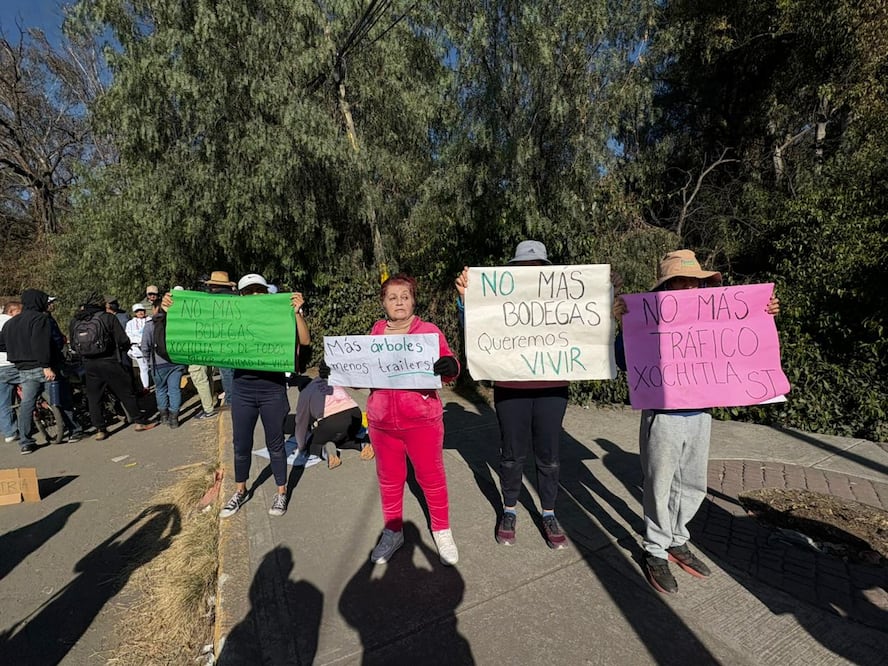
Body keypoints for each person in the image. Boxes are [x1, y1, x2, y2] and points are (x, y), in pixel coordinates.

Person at [613, 249, 780, 594]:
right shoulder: (648, 321)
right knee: (659, 484)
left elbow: (744, 341)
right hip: (663, 416)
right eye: (681, 282)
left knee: (692, 483)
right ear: (666, 288)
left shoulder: (713, 318)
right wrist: (624, 326)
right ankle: (655, 549)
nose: (689, 289)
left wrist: (764, 314)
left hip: (701, 413)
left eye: (695, 282)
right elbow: (624, 360)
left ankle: (677, 539)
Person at [455, 240, 571, 549]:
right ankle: (508, 510)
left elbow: (587, 326)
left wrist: (605, 295)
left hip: (553, 389)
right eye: (523, 268)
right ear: (514, 271)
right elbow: (477, 331)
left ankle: (548, 513)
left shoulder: (560, 299)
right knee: (511, 455)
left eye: (536, 268)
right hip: (510, 389)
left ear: (546, 272)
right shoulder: (499, 300)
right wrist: (466, 300)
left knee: (549, 456)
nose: (530, 272)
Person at [364, 274, 461, 566]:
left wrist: (450, 365)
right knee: (389, 480)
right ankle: (393, 532)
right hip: (382, 423)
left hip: (422, 421)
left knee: (431, 478)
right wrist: (339, 371)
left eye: (404, 296)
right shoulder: (375, 333)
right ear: (383, 303)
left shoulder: (428, 331)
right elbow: (361, 374)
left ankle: (442, 530)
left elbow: (451, 364)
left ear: (413, 299)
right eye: (392, 297)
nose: (399, 302)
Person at [196, 273, 310, 518]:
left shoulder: (280, 316)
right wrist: (171, 310)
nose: (255, 295)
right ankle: (240, 490)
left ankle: (281, 492)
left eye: (259, 290)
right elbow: (205, 329)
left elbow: (305, 340)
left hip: (273, 390)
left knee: (276, 445)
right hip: (243, 391)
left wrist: (298, 312)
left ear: (266, 293)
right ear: (242, 296)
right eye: (249, 292)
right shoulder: (234, 319)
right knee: (241, 445)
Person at [69, 292, 158, 440]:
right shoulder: (107, 318)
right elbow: (122, 339)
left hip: (89, 364)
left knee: (94, 397)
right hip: (109, 360)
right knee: (125, 392)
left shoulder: (75, 321)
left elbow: (73, 344)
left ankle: (100, 430)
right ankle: (139, 421)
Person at [0, 290, 71, 453]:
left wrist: (15, 351)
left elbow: (1, 343)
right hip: (40, 366)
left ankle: (25, 442)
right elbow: (41, 344)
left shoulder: (11, 323)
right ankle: (73, 429)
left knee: (27, 405)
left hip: (22, 368)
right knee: (57, 397)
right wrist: (46, 366)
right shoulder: (40, 319)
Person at [289, 374, 373, 469]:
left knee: (311, 443)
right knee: (342, 438)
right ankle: (363, 444)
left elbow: (301, 423)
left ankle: (326, 452)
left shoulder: (305, 392)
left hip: (333, 421)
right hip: (356, 415)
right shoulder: (329, 381)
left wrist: (302, 446)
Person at [141, 299, 186, 428]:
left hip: (157, 364)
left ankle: (164, 416)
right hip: (176, 362)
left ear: (155, 309)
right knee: (174, 390)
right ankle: (174, 419)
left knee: (160, 390)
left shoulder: (150, 325)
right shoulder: (175, 322)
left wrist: (148, 360)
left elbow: (145, 346)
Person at [0, 300, 22, 444]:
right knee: (32, 387)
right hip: (12, 364)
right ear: (12, 311)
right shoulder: (11, 324)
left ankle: (9, 432)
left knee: (3, 402)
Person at [125, 304, 151, 392]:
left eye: (142, 310)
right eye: (138, 311)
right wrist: (139, 341)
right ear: (135, 312)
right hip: (137, 348)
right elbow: (129, 335)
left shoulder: (150, 320)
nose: (140, 312)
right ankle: (146, 387)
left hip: (151, 347)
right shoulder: (130, 323)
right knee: (143, 368)